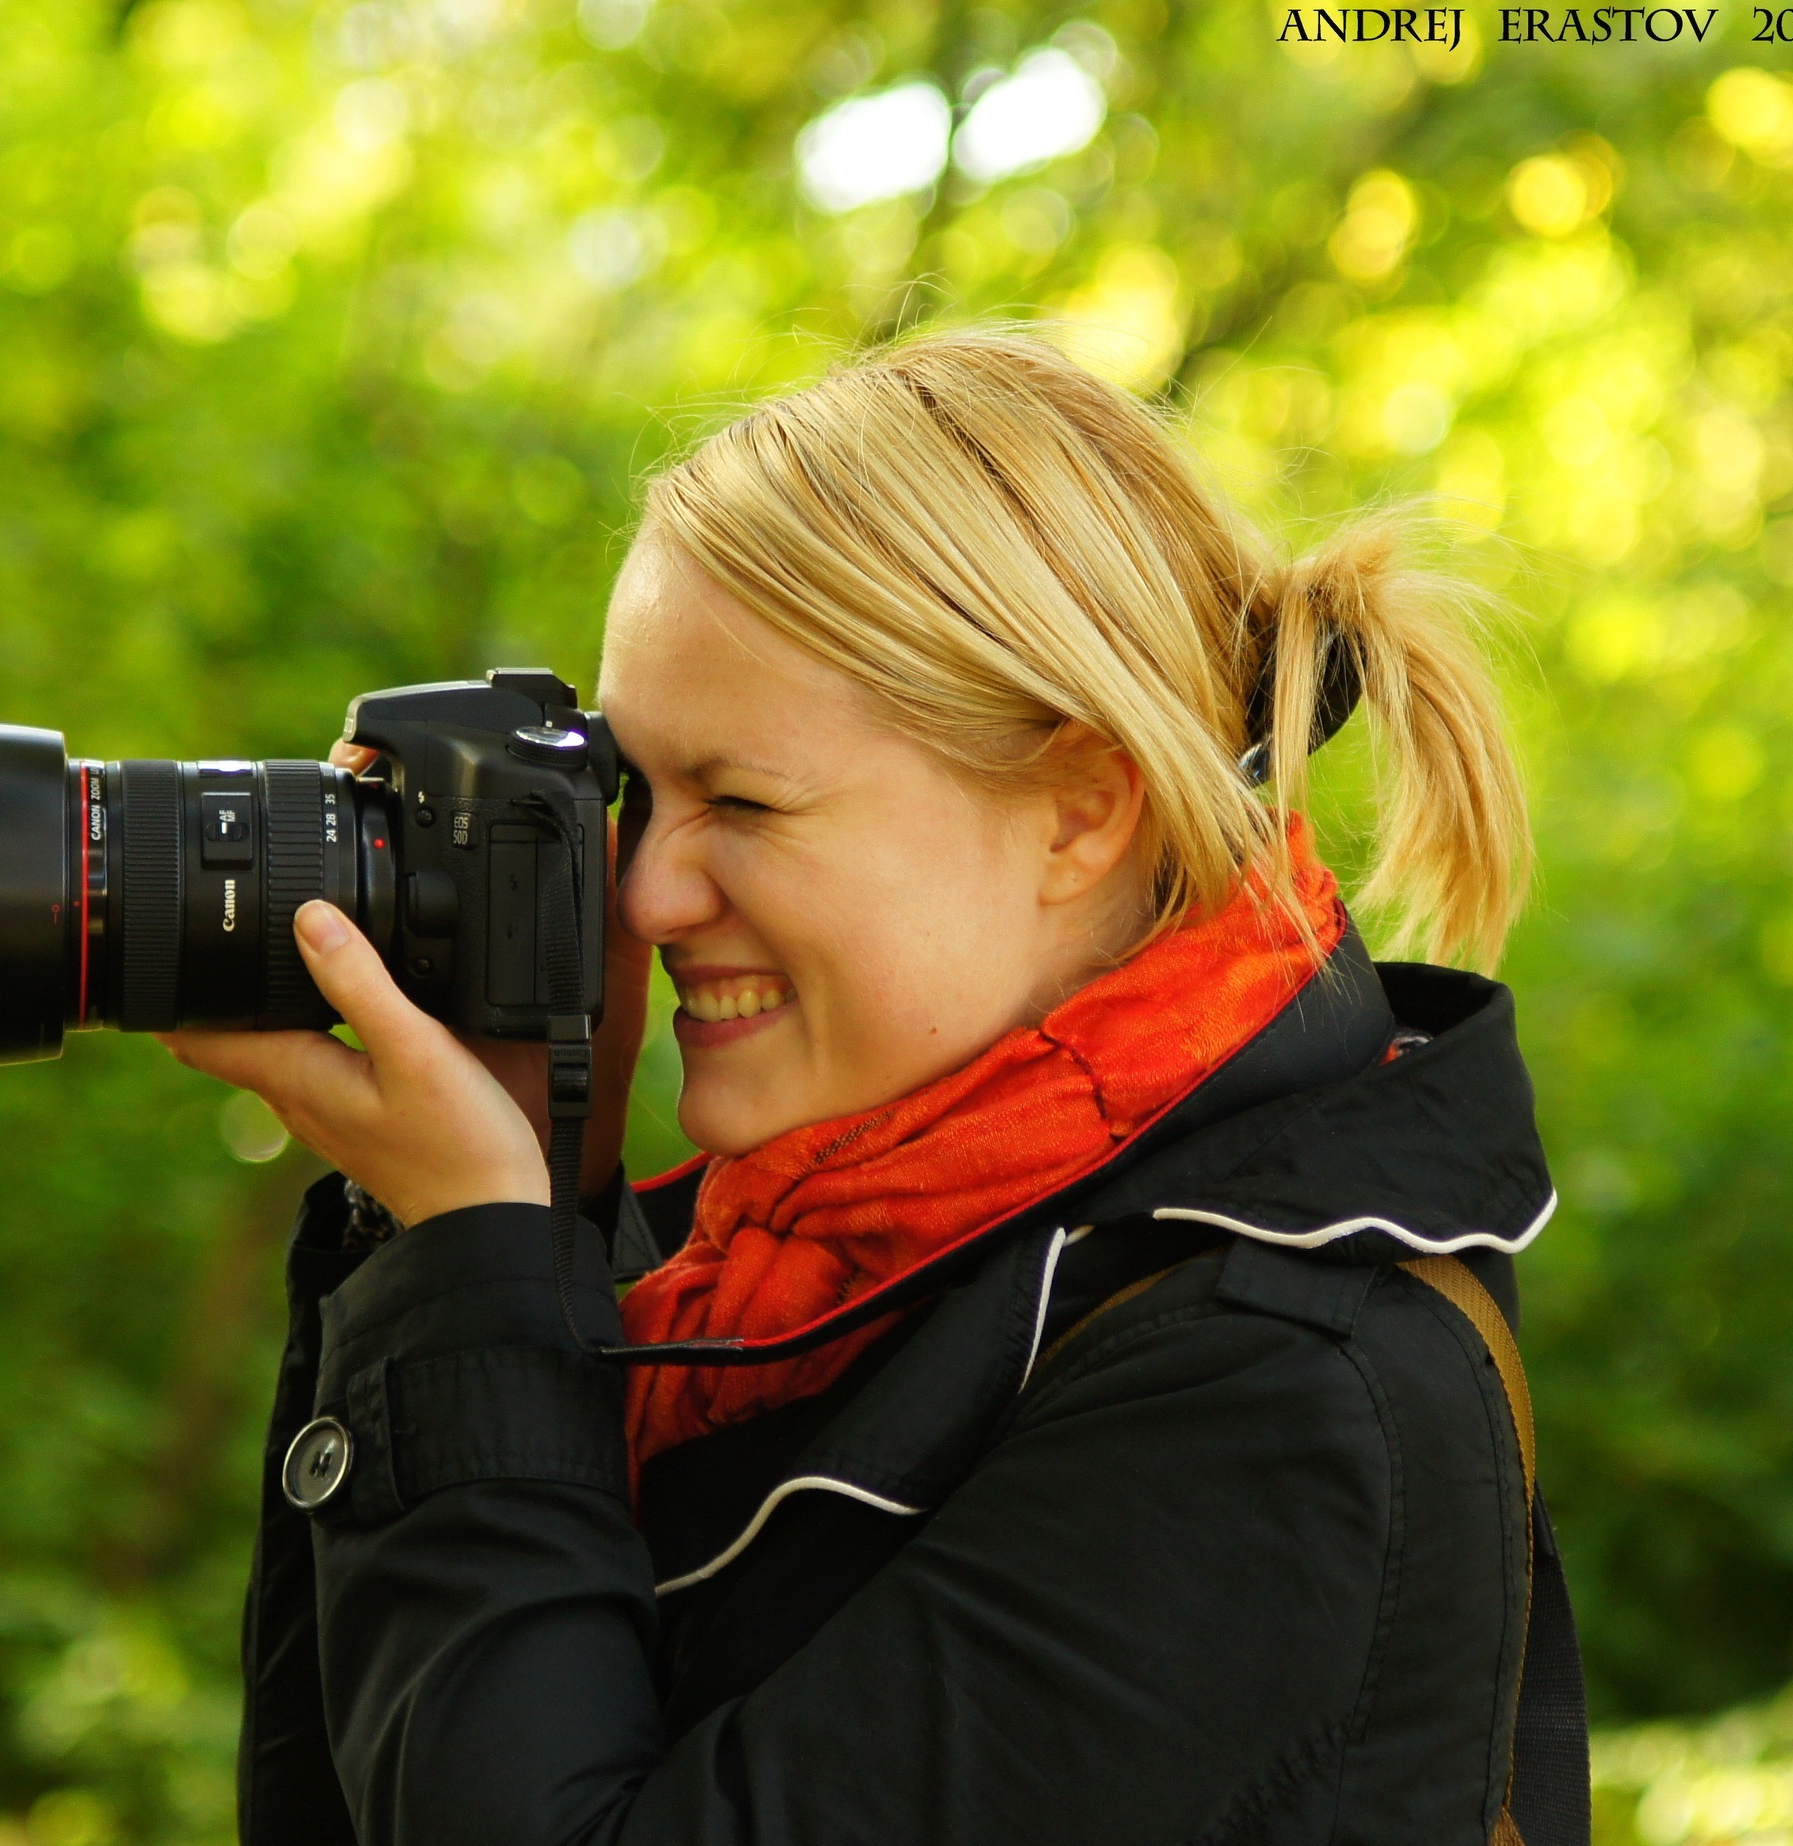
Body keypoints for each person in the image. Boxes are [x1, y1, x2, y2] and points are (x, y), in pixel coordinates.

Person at [163, 329, 1585, 1846]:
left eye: (742, 801)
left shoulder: (1278, 1393)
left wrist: (471, 1278)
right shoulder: (794, 1279)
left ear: (1079, 812)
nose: (642, 896)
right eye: (636, 796)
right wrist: (523, 1218)